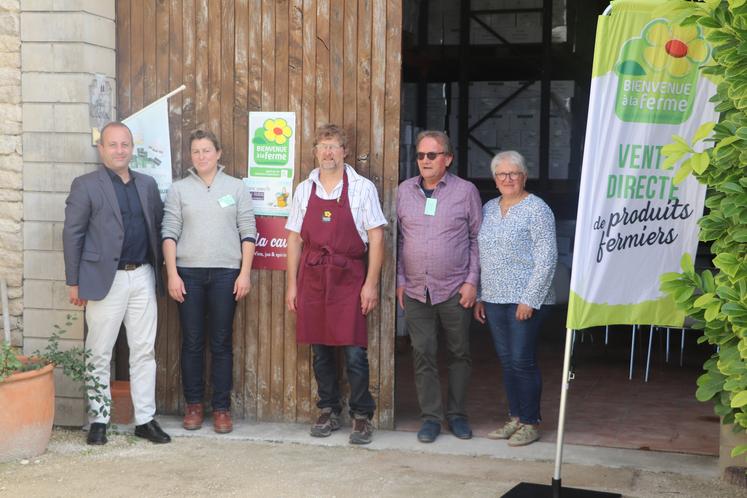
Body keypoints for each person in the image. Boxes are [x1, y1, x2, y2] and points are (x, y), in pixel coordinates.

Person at [63, 121, 170, 446]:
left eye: (125, 144)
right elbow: (72, 234)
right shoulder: (86, 185)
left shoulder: (147, 185)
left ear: (131, 148)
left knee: (143, 351)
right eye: (113, 145)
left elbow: (157, 227)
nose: (120, 150)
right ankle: (99, 419)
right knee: (99, 352)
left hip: (142, 276)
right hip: (102, 280)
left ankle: (145, 419)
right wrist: (73, 281)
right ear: (102, 148)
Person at [285, 123, 386, 445]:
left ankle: (361, 416)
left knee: (355, 352)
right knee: (321, 350)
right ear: (315, 151)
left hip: (349, 276)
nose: (328, 152)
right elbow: (294, 239)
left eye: (334, 146)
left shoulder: (361, 188)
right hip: (313, 277)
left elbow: (376, 236)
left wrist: (370, 284)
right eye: (322, 146)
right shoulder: (304, 189)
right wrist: (292, 285)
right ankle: (328, 409)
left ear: (344, 151)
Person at [162, 129, 256, 434]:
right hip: (188, 273)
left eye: (206, 150)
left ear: (218, 153)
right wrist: (172, 273)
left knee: (221, 343)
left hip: (226, 274)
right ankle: (193, 405)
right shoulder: (179, 190)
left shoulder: (237, 187)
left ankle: (221, 408)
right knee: (191, 342)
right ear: (190, 156)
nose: (201, 156)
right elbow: (169, 232)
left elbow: (248, 232)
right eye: (196, 152)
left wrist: (244, 273)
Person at [396, 130, 482, 443]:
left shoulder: (465, 191)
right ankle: (431, 418)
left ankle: (457, 415)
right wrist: (401, 281)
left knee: (459, 354)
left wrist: (472, 281)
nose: (425, 161)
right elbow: (399, 240)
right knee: (423, 354)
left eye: (432, 155)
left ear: (447, 158)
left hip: (454, 288)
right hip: (417, 290)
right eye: (420, 155)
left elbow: (477, 239)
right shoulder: (404, 191)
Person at [473, 150, 557, 447]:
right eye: (502, 174)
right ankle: (516, 417)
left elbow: (547, 258)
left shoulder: (537, 209)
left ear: (524, 176)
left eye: (514, 173)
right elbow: (483, 255)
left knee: (522, 360)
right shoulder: (488, 209)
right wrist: (482, 295)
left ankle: (531, 422)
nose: (508, 179)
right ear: (494, 179)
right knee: (507, 361)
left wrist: (529, 299)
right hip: (495, 296)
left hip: (526, 299)